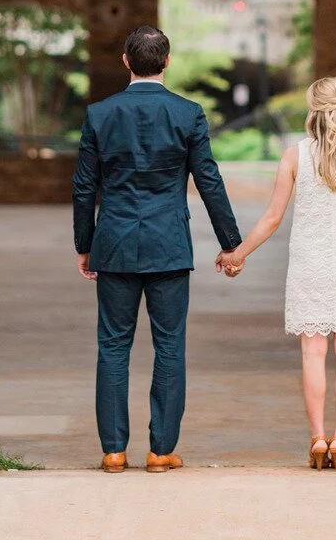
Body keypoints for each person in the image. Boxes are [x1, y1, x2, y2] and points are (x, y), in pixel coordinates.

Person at [73, 24, 241, 473]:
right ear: (166, 62)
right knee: (169, 347)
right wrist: (231, 243)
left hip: (115, 243)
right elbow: (209, 180)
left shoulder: (99, 115)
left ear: (126, 62)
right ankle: (161, 451)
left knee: (112, 346)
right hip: (168, 244)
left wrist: (84, 244)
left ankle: (112, 450)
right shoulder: (188, 114)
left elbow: (84, 187)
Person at [219, 76, 336, 471]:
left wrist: (236, 254)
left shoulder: (295, 156)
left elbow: (273, 218)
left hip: (309, 264)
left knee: (313, 353)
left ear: (314, 109)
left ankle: (318, 437)